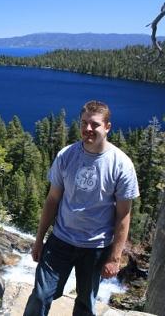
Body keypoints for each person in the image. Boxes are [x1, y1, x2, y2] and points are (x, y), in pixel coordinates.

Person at [23, 100, 139, 316]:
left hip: (96, 247)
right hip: (61, 240)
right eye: (84, 123)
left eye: (94, 124)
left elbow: (123, 215)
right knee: (41, 295)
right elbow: (52, 200)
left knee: (86, 303)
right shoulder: (66, 156)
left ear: (107, 127)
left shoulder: (121, 164)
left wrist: (115, 257)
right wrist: (39, 240)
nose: (87, 129)